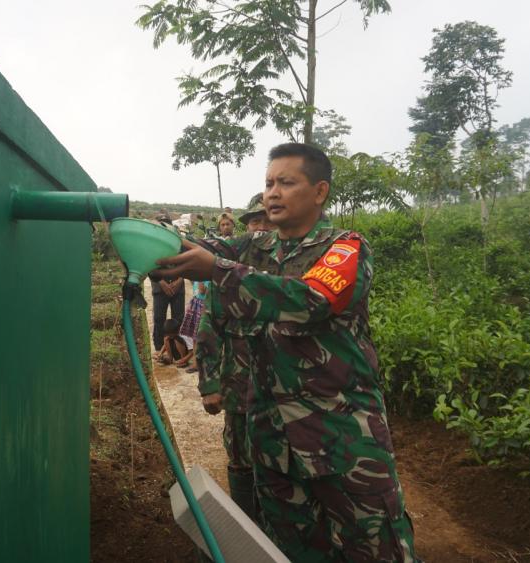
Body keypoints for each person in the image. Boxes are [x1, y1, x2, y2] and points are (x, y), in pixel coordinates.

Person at [157, 143, 418, 562]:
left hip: (343, 441)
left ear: (319, 191)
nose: (271, 193)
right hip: (273, 443)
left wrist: (219, 272)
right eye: (267, 183)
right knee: (290, 549)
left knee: (375, 548)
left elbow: (311, 299)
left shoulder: (345, 248)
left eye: (286, 182)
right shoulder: (251, 248)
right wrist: (149, 241)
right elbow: (192, 248)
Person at [195, 198, 275, 521]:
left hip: (280, 393)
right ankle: (246, 525)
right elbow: (208, 328)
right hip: (239, 387)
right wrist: (209, 384)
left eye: (267, 221)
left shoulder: (286, 271)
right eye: (255, 222)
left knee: (275, 461)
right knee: (240, 456)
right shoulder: (228, 276)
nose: (261, 229)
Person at [151, 270, 185, 353]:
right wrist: (161, 282)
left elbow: (187, 260)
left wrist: (180, 280)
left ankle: (178, 351)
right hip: (158, 285)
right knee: (159, 318)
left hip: (178, 285)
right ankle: (159, 349)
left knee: (178, 319)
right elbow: (150, 264)